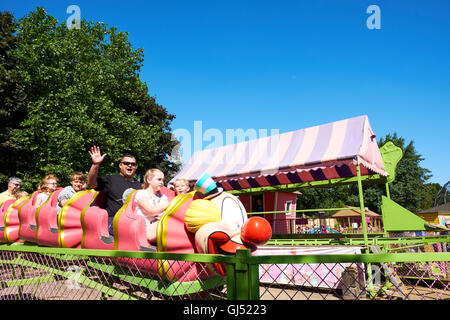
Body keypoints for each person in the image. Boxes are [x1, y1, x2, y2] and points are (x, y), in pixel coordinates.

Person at [87, 146, 142, 235]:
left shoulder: (140, 186)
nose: (130, 165)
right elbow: (91, 183)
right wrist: (95, 165)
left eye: (133, 164)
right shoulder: (111, 179)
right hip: (115, 220)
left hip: (135, 221)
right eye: (126, 163)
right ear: (120, 165)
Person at [134, 169, 169, 244]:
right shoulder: (141, 194)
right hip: (145, 229)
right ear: (149, 180)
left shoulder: (163, 197)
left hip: (159, 226)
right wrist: (169, 204)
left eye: (162, 180)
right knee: (169, 226)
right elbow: (151, 211)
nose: (162, 182)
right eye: (159, 179)